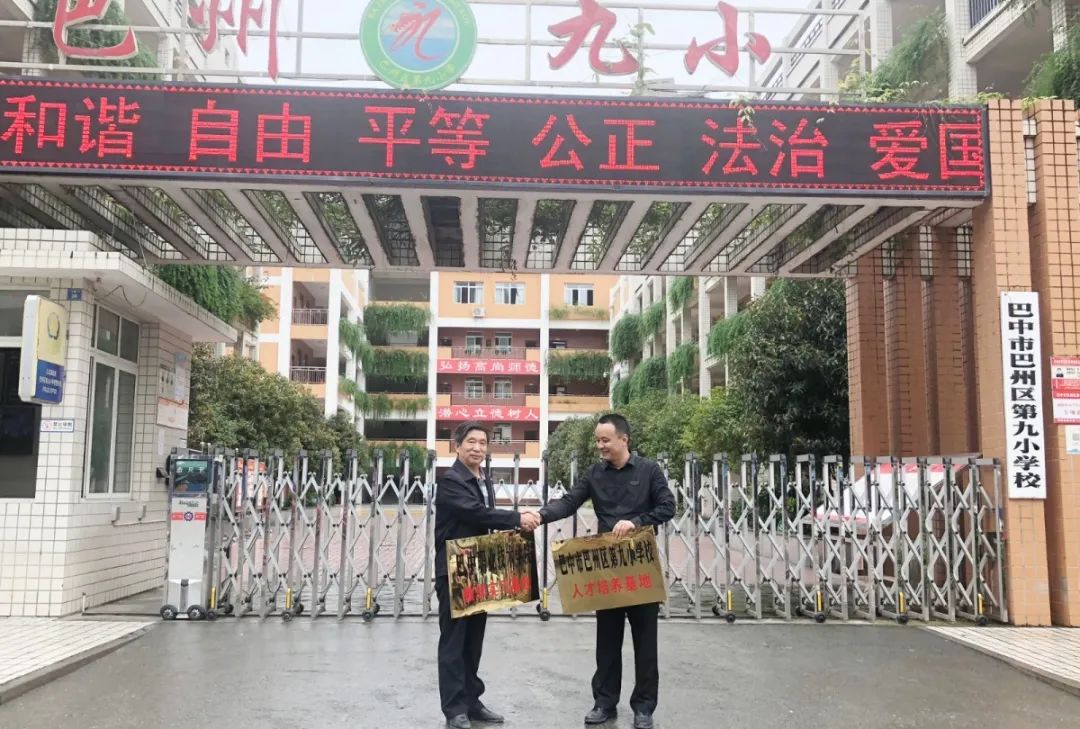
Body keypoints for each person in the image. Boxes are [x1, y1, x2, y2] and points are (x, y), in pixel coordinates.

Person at [527, 413, 674, 729]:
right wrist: (540, 516)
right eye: (597, 440)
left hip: (640, 567)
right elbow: (569, 502)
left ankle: (644, 707)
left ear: (624, 439)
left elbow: (667, 507)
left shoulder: (649, 471)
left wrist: (636, 522)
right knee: (607, 640)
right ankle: (604, 702)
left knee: (645, 643)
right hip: (606, 568)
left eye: (605, 440)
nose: (600, 446)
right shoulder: (595, 474)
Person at [435, 421, 541, 729]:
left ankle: (472, 702)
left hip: (478, 568)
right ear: (457, 446)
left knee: (473, 641)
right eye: (471, 442)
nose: (477, 448)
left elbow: (484, 521)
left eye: (482, 443)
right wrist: (518, 518)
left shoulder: (484, 479)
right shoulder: (452, 480)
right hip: (455, 569)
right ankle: (454, 709)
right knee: (454, 642)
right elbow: (476, 513)